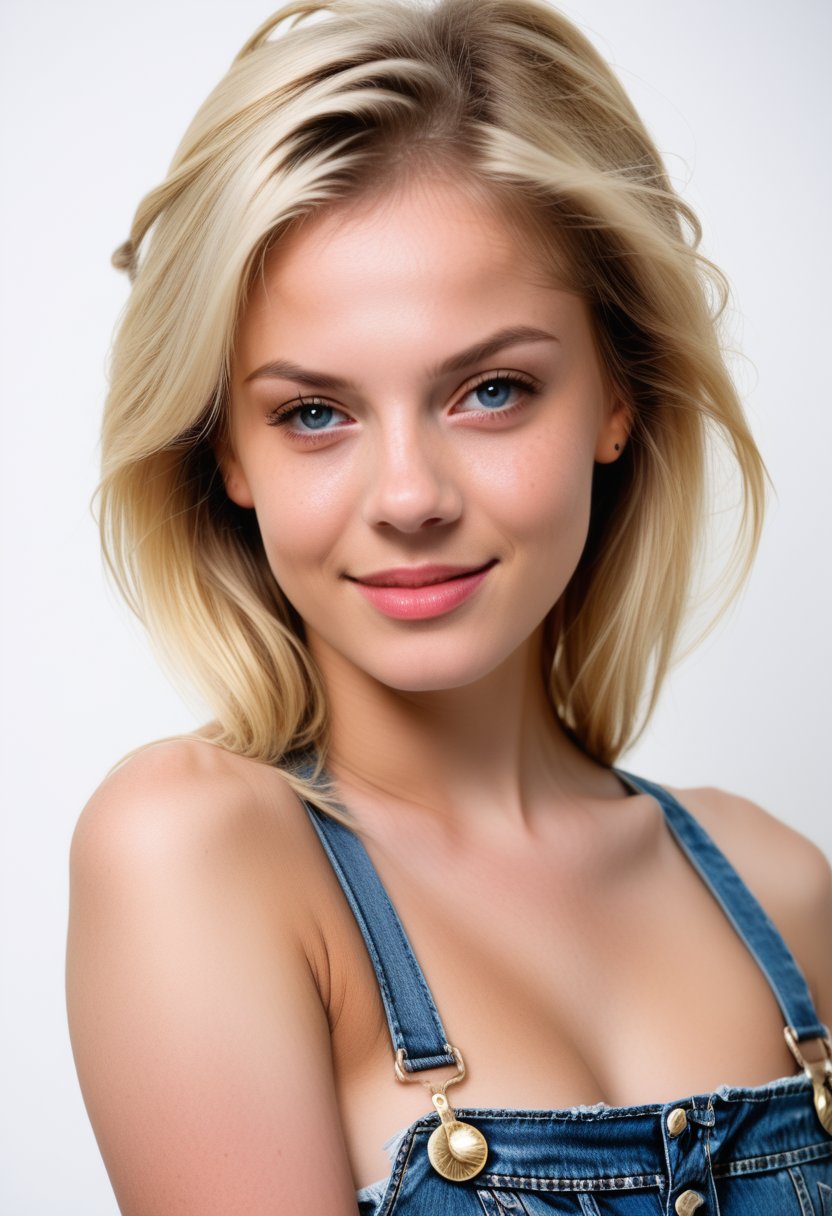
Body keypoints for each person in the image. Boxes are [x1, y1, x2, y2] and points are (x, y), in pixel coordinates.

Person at [65, 0, 832, 1212]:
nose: (410, 496)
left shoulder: (782, 888)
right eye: (313, 412)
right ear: (228, 455)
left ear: (617, 397)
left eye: (489, 389)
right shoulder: (198, 851)